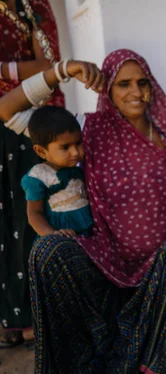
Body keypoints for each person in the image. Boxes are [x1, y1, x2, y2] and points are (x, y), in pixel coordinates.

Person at [0, 49, 166, 374]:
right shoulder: (85, 130)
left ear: (153, 87)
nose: (136, 92)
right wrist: (62, 70)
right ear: (108, 91)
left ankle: (130, 348)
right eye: (124, 84)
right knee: (48, 249)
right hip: (104, 269)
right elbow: (8, 110)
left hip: (158, 279)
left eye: (142, 83)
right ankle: (69, 373)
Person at [0, 0, 64, 349]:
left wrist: (3, 69)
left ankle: (34, 317)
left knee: (30, 217)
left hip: (31, 122)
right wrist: (25, 69)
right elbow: (37, 66)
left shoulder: (35, 4)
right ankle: (7, 319)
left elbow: (48, 65)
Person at [21, 106, 93, 238]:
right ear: (41, 151)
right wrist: (53, 235)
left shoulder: (79, 169)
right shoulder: (39, 177)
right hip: (59, 242)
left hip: (87, 236)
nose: (75, 152)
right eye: (65, 147)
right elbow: (34, 214)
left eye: (78, 143)